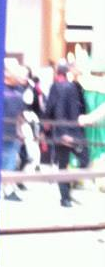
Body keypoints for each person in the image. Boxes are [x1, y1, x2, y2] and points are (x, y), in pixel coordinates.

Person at [44, 62, 89, 207]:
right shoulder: (61, 86)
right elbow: (56, 108)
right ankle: (65, 196)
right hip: (66, 131)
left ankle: (67, 193)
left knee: (81, 159)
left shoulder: (75, 86)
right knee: (67, 163)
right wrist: (63, 132)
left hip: (73, 130)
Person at [1, 62, 26, 202]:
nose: (19, 75)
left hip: (13, 134)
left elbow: (20, 114)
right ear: (6, 73)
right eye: (16, 71)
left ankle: (8, 190)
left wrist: (20, 131)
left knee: (10, 163)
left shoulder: (19, 90)